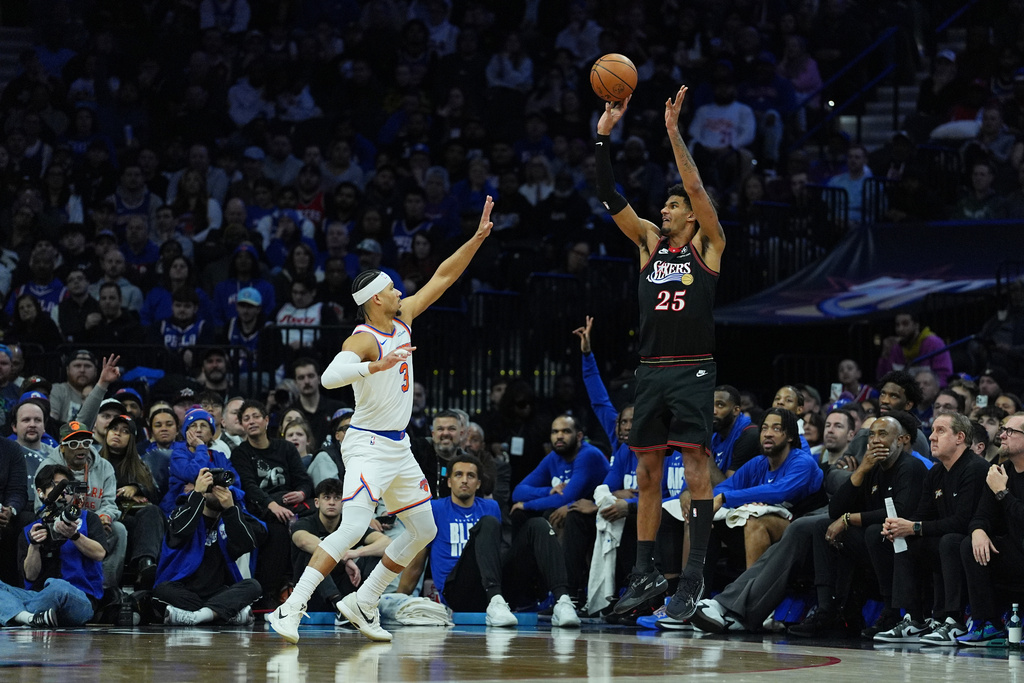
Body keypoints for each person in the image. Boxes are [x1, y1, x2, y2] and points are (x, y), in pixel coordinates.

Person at [268, 195, 495, 644]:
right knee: (353, 526)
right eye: (391, 289)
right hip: (366, 443)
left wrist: (477, 238)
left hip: (398, 446)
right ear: (375, 300)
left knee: (424, 528)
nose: (399, 292)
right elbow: (332, 376)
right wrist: (374, 367)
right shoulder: (364, 338)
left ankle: (364, 600)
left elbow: (444, 277)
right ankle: (289, 608)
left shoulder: (405, 316)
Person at [596, 86, 726, 621]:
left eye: (672, 205)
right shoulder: (650, 243)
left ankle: (693, 572)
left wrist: (673, 132)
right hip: (650, 369)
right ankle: (646, 570)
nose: (664, 210)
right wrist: (603, 135)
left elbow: (694, 184)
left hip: (692, 367)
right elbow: (610, 196)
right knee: (646, 472)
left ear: (690, 215)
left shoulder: (708, 243)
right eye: (665, 205)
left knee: (696, 464)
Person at [403, 454, 580, 627]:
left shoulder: (491, 507)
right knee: (487, 523)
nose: (464, 480)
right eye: (458, 475)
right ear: (449, 481)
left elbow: (494, 555)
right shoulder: (434, 508)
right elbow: (417, 562)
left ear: (478, 483)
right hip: (458, 591)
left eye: (470, 475)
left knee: (538, 525)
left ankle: (562, 601)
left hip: (493, 589)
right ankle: (495, 600)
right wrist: (399, 598)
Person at [874, 412, 988, 644]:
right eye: (933, 430)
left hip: (975, 544)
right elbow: (922, 515)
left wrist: (914, 526)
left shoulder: (975, 468)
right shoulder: (936, 472)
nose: (932, 437)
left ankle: (953, 620)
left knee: (950, 540)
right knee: (904, 539)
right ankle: (914, 618)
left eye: (940, 431)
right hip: (947, 541)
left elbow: (963, 521)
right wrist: (899, 527)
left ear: (960, 437)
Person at [153, 467, 265, 626]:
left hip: (218, 591)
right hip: (184, 590)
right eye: (211, 488)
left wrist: (231, 509)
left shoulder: (230, 518)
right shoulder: (181, 511)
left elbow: (246, 544)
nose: (217, 491)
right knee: (161, 591)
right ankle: (222, 613)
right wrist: (197, 494)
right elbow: (180, 532)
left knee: (253, 586)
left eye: (223, 488)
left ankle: (198, 617)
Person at [4, 464, 105, 627]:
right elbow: (30, 576)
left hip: (79, 598)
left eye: (66, 486)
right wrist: (34, 546)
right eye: (55, 485)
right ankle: (31, 618)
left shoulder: (89, 519)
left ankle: (19, 615)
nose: (63, 491)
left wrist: (74, 535)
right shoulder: (31, 530)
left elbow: (100, 553)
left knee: (58, 586)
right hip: (37, 595)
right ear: (40, 492)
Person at [956, 412, 1024, 646]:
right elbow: (980, 516)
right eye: (1003, 429)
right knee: (968, 546)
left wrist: (1002, 494)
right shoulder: (1000, 471)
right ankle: (987, 623)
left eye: (1011, 432)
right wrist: (978, 531)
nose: (1002, 435)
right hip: (1015, 552)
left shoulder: (999, 482)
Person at [290, 478, 390, 614]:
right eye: (326, 497)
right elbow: (303, 541)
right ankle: (339, 607)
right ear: (317, 502)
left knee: (375, 556)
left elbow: (386, 543)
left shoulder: (351, 525)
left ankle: (365, 604)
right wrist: (344, 557)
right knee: (313, 553)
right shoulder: (305, 523)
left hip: (346, 590)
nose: (332, 502)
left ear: (343, 504)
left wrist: (355, 554)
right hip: (314, 595)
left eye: (337, 498)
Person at [509, 414, 610, 526]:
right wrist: (549, 491)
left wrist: (526, 505)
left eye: (566, 431)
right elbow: (517, 492)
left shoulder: (588, 454)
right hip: (570, 509)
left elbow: (564, 499)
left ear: (579, 436)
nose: (559, 436)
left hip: (595, 513)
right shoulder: (553, 457)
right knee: (519, 514)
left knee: (552, 513)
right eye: (555, 432)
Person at [877, 312, 954, 387]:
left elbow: (944, 376)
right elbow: (882, 379)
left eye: (905, 324)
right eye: (897, 325)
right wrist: (885, 356)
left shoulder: (934, 343)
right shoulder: (895, 347)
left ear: (916, 325)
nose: (900, 329)